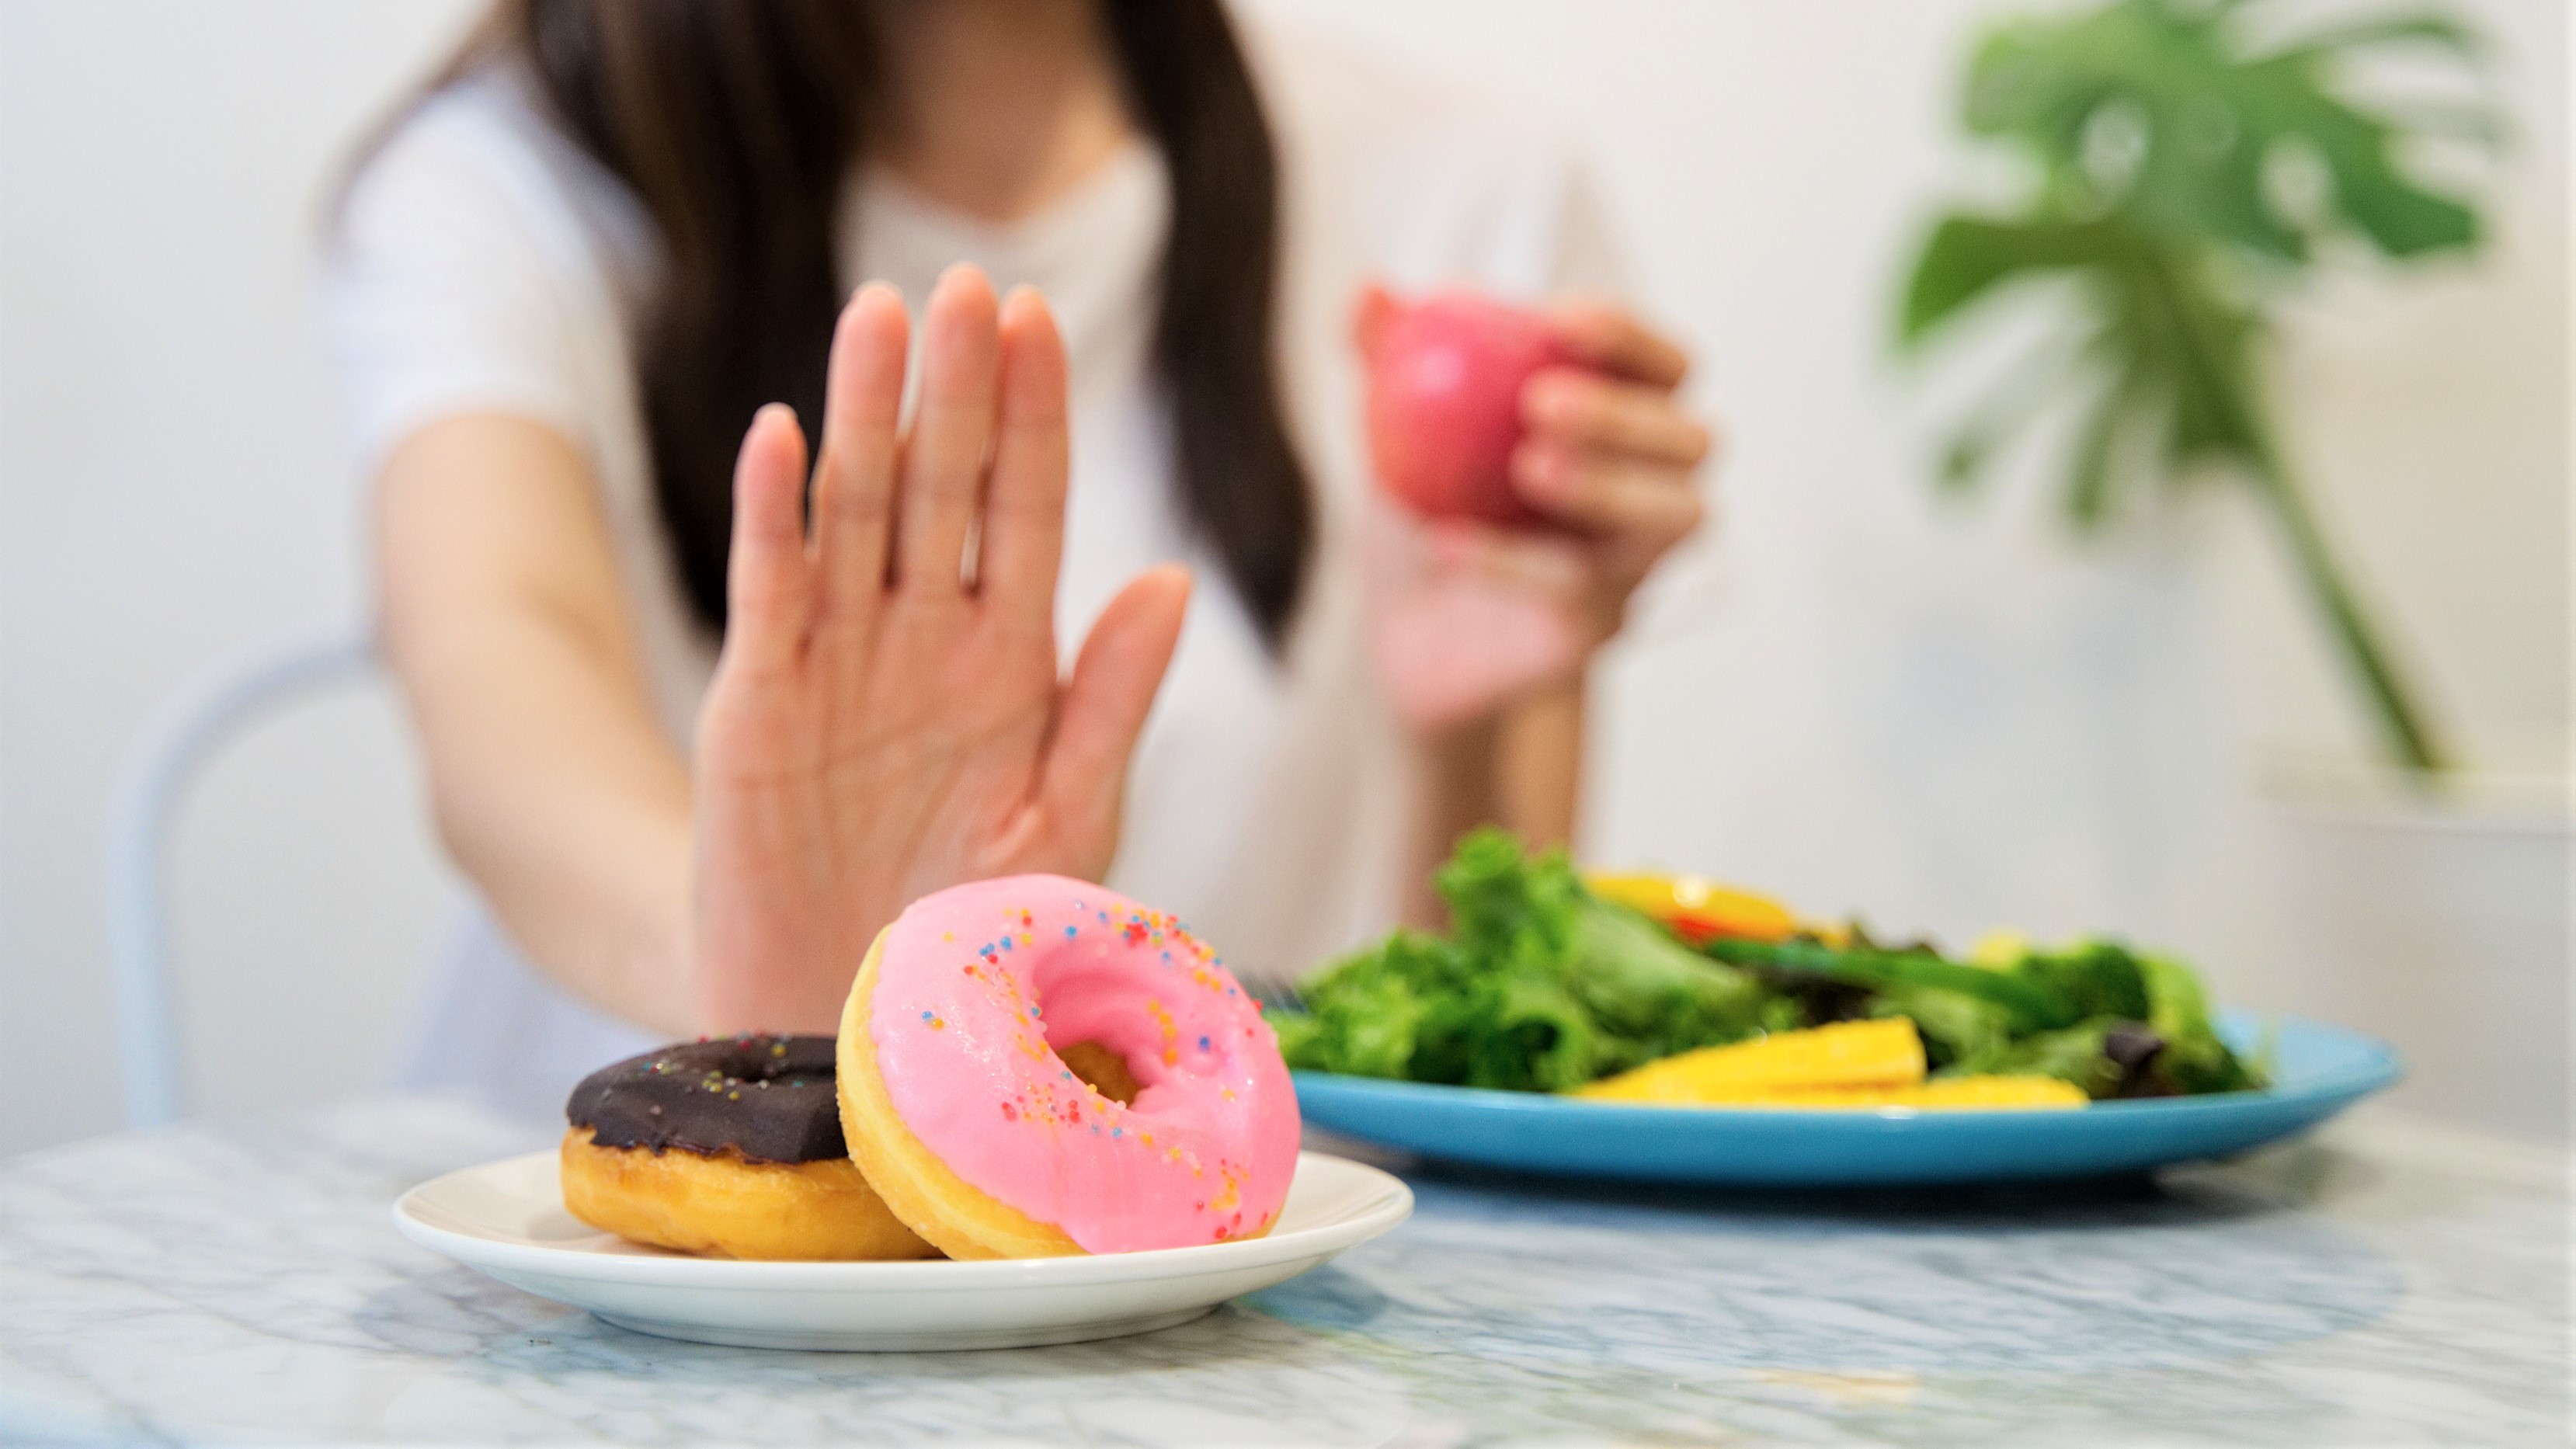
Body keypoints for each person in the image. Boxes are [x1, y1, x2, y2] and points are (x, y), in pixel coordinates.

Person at [328, 0, 1714, 1113]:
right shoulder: (510, 176)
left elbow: (1465, 1052)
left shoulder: (1466, 194)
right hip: (616, 1279)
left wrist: (1454, 743)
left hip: (1176, 1306)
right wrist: (745, 965)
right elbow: (499, 655)